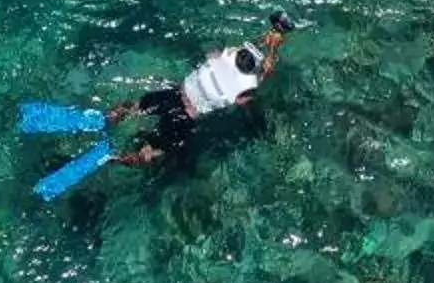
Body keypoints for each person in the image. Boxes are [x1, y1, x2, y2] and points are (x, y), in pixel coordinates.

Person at [104, 13, 294, 167]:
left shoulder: (221, 56)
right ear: (251, 70)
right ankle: (114, 159)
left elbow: (239, 49)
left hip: (174, 95)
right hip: (185, 117)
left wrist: (267, 36)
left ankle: (108, 117)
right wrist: (274, 49)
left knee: (136, 106)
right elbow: (266, 73)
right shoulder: (246, 85)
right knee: (155, 152)